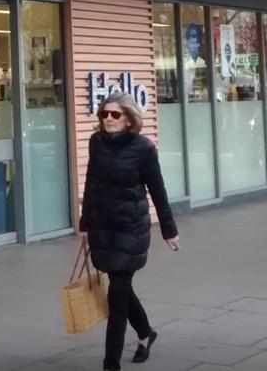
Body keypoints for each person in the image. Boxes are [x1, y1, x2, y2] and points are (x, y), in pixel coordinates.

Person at [80, 93, 180, 371]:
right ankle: (147, 333)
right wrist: (85, 224)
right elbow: (90, 182)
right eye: (104, 114)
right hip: (103, 226)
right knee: (120, 289)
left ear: (129, 118)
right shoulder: (96, 142)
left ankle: (110, 363)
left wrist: (169, 230)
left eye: (115, 114)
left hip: (130, 228)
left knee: (117, 297)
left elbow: (158, 191)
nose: (108, 119)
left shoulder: (143, 148)